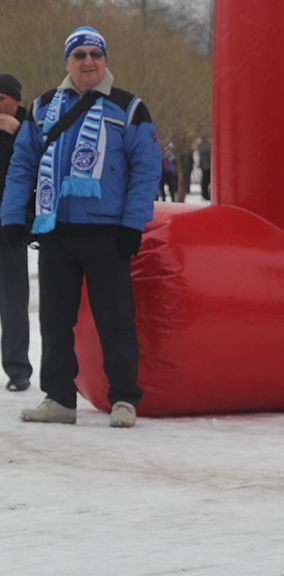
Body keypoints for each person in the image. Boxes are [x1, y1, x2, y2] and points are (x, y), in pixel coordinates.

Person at [0, 26, 160, 428]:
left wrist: (132, 224)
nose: (88, 61)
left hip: (107, 232)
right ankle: (59, 398)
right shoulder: (42, 107)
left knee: (116, 319)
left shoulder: (129, 107)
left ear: (105, 60)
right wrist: (12, 217)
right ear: (67, 62)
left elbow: (145, 171)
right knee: (54, 320)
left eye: (95, 54)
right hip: (55, 229)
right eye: (79, 55)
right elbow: (22, 167)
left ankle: (124, 398)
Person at [0, 73, 32, 392]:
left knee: (13, 299)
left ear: (15, 101)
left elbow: (42, 162)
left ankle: (18, 368)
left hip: (10, 225)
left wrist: (17, 131)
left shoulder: (29, 128)